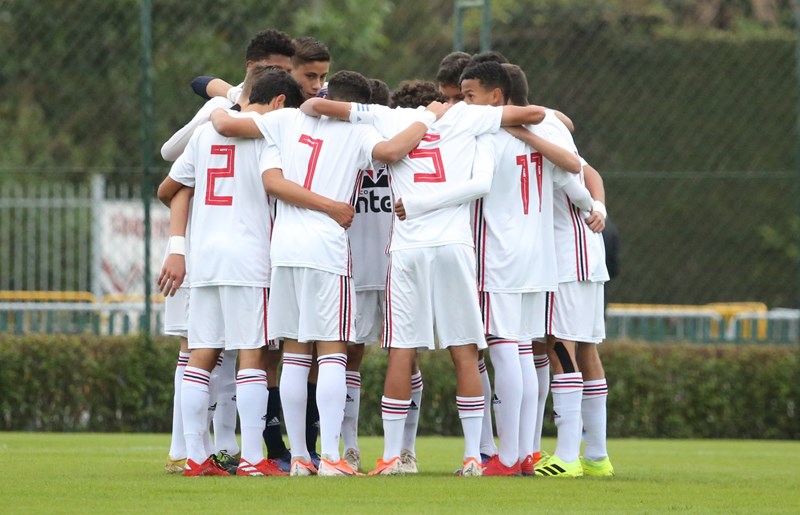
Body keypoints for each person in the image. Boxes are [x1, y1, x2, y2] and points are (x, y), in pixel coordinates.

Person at [299, 80, 550, 476]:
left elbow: (315, 106)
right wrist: (487, 119)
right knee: (465, 350)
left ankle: (393, 457)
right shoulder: (469, 116)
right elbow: (535, 113)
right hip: (454, 244)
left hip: (408, 249)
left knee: (402, 348)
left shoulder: (387, 117)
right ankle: (472, 456)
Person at [209, 70, 446, 477]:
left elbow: (264, 171)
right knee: (333, 351)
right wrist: (429, 117)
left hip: (282, 250)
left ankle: (301, 457)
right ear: (356, 106)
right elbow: (391, 152)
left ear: (327, 94)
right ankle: (333, 457)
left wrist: (220, 95)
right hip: (326, 250)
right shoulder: (358, 132)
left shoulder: (283, 121)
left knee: (297, 354)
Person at [157, 68, 304, 477]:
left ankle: (196, 457)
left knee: (200, 358)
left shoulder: (205, 134)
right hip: (249, 257)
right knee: (252, 355)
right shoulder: (275, 130)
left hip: (203, 257)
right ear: (279, 102)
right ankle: (255, 459)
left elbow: (167, 189)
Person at [454, 61, 597, 476]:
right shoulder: (543, 135)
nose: (464, 104)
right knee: (522, 352)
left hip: (498, 257)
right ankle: (527, 451)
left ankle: (511, 456)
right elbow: (575, 176)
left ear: (496, 97)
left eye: (470, 96)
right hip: (539, 261)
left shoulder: (484, 135)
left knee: (505, 353)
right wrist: (595, 209)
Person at [339, 77, 393, 473]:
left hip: (396, 267)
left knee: (405, 356)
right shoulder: (340, 147)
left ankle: (402, 449)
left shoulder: (400, 146)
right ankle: (349, 445)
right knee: (349, 355)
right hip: (354, 266)